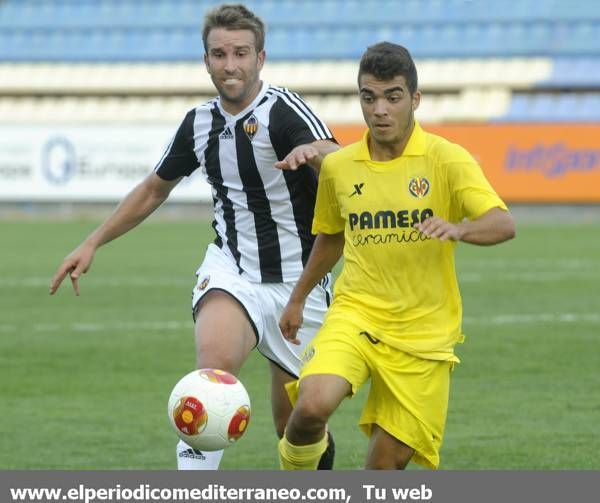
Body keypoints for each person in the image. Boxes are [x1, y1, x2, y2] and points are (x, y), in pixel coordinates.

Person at [49, 3, 338, 470]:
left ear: (260, 59)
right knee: (209, 387)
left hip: (298, 285)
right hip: (232, 272)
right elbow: (153, 189)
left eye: (241, 53)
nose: (230, 65)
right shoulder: (198, 123)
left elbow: (335, 157)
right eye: (219, 54)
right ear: (206, 60)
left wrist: (314, 150)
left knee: (298, 427)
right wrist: (92, 242)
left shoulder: (283, 111)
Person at [277, 42, 516, 470]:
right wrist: (297, 298)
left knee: (384, 471)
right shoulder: (340, 166)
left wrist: (460, 228)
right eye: (369, 97)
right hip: (357, 313)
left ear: (415, 100)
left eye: (393, 97)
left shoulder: (446, 158)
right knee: (310, 407)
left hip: (424, 334)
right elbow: (331, 238)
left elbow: (503, 222)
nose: (380, 110)